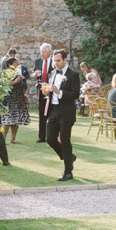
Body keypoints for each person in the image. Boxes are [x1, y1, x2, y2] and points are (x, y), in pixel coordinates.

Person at [40, 48, 82, 180]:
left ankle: (68, 172)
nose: (56, 63)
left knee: (64, 140)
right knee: (50, 139)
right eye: (54, 60)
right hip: (53, 110)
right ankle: (69, 158)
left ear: (65, 60)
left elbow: (75, 94)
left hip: (66, 112)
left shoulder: (73, 74)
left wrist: (60, 92)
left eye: (58, 60)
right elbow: (51, 90)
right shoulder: (53, 73)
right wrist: (46, 92)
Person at [0, 52, 30, 143]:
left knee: (16, 120)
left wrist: (25, 97)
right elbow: (4, 85)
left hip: (19, 98)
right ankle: (2, 139)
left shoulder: (17, 72)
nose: (18, 64)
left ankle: (13, 139)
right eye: (16, 62)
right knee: (7, 120)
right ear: (10, 64)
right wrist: (16, 81)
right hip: (9, 99)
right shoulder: (5, 73)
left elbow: (22, 86)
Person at [34, 42, 54, 143]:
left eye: (44, 52)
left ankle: (51, 136)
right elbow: (35, 72)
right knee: (42, 113)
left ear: (49, 52)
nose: (42, 54)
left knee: (52, 112)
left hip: (52, 90)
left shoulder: (54, 62)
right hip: (42, 90)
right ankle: (41, 136)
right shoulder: (38, 61)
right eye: (41, 52)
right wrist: (36, 74)